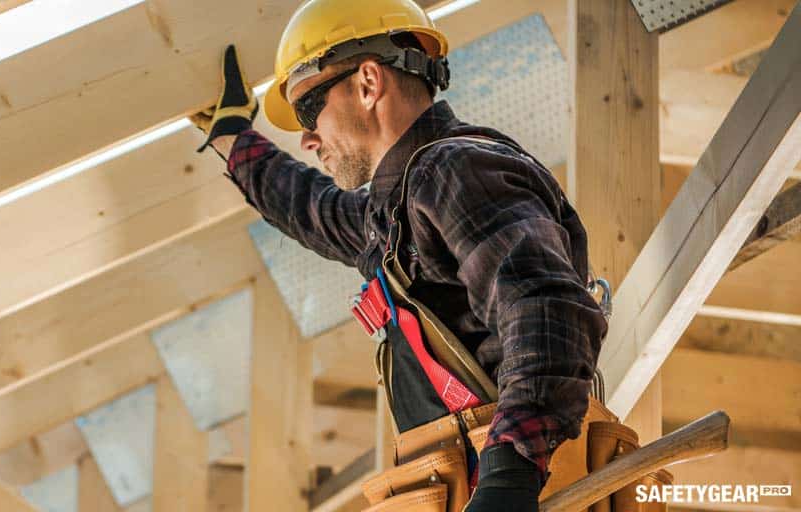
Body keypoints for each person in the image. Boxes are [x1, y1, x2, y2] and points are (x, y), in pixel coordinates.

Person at [191, 1, 608, 510]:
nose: (306, 138)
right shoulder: (399, 209)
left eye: (307, 111)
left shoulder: (455, 169)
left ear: (367, 83)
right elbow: (309, 208)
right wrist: (233, 138)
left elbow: (543, 306)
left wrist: (508, 476)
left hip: (515, 484)